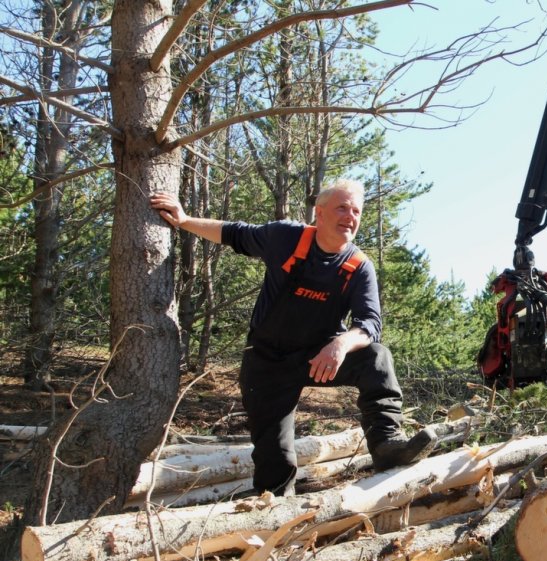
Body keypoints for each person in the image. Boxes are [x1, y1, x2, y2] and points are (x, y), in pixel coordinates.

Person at [150, 180, 435, 496]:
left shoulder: (358, 266)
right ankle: (275, 516)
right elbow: (234, 233)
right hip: (266, 363)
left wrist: (340, 344)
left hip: (318, 358)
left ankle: (386, 444)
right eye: (342, 207)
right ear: (320, 213)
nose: (350, 216)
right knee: (276, 462)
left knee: (376, 358)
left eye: (356, 211)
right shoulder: (285, 238)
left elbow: (369, 324)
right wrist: (185, 220)